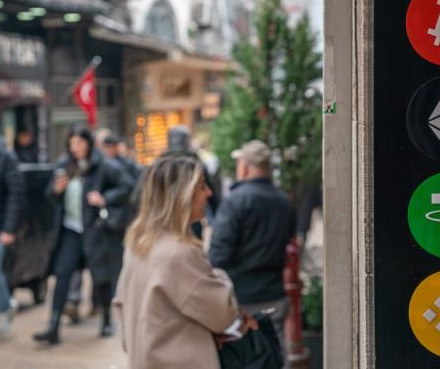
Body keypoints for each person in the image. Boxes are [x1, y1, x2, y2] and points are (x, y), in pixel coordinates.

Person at [114, 155, 245, 369]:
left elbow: (121, 306)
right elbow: (223, 313)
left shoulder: (137, 245)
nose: (209, 194)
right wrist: (220, 276)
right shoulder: (179, 254)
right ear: (181, 195)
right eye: (202, 187)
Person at [33, 126, 133, 345]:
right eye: (72, 144)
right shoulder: (63, 165)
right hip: (70, 230)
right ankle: (53, 326)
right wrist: (56, 190)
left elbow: (127, 186)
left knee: (101, 276)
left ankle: (107, 320)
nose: (75, 148)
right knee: (62, 274)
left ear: (88, 144)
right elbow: (49, 195)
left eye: (80, 143)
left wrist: (104, 197)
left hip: (96, 230)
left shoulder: (103, 166)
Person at [209, 140, 295, 357]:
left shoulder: (236, 201)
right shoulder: (284, 201)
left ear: (245, 167)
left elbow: (218, 255)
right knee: (274, 358)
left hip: (242, 302)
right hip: (274, 296)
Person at [0, 131, 23, 338]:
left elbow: (16, 194)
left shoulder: (4, 156)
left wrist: (9, 228)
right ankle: (7, 305)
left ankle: (5, 307)